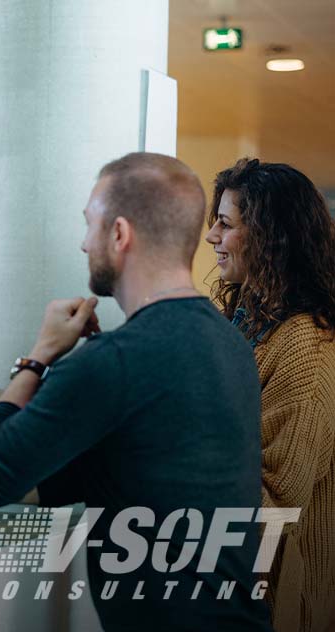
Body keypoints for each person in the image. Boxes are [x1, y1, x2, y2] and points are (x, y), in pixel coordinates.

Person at [0, 153, 271, 631]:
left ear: (119, 234)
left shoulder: (114, 360)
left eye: (90, 224)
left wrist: (38, 356)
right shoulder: (230, 344)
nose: (84, 243)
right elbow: (71, 475)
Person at [204, 158, 335, 632]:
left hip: (277, 604)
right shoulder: (249, 323)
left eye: (226, 223)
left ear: (269, 236)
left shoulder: (305, 345)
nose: (211, 236)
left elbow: (278, 503)